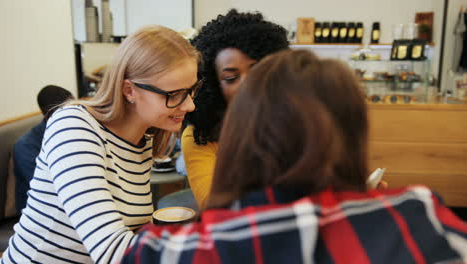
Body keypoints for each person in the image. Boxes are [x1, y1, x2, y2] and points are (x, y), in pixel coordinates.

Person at [121, 49, 467, 263]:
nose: (241, 86)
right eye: (230, 76)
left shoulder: (169, 251)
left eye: (253, 73)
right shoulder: (422, 216)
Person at [0, 25, 201, 263]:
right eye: (174, 94)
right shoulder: (74, 126)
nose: (190, 105)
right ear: (129, 90)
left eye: (191, 91)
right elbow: (112, 251)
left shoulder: (141, 142)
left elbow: (132, 230)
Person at [182, 9, 289, 209]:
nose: (248, 84)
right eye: (231, 78)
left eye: (257, 70)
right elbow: (215, 206)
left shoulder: (295, 123)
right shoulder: (200, 138)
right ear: (213, 86)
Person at [13, 85, 74, 213]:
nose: (75, 114)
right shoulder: (26, 146)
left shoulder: (71, 130)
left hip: (68, 200)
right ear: (48, 113)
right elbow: (46, 188)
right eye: (68, 110)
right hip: (38, 211)